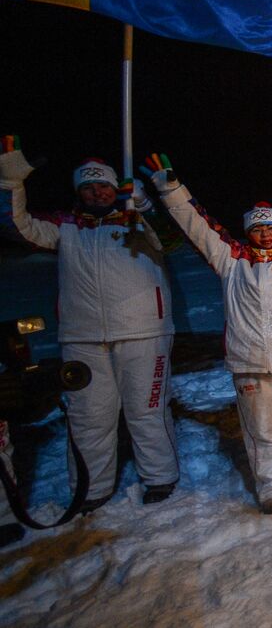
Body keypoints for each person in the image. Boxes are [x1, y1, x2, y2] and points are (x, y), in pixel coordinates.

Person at [144, 154, 272, 514]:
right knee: (261, 429)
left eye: (270, 228)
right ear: (248, 233)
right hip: (249, 361)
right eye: (257, 229)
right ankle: (271, 486)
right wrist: (171, 189)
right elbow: (198, 227)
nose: (264, 233)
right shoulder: (232, 261)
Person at [0, 144, 181, 510]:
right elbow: (15, 226)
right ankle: (92, 488)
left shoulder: (135, 221)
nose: (97, 193)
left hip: (144, 333)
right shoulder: (65, 227)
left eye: (104, 187)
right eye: (88, 188)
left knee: (146, 411)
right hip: (83, 339)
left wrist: (144, 205)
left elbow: (173, 240)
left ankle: (160, 477)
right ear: (78, 192)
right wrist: (10, 183)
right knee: (88, 417)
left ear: (116, 189)